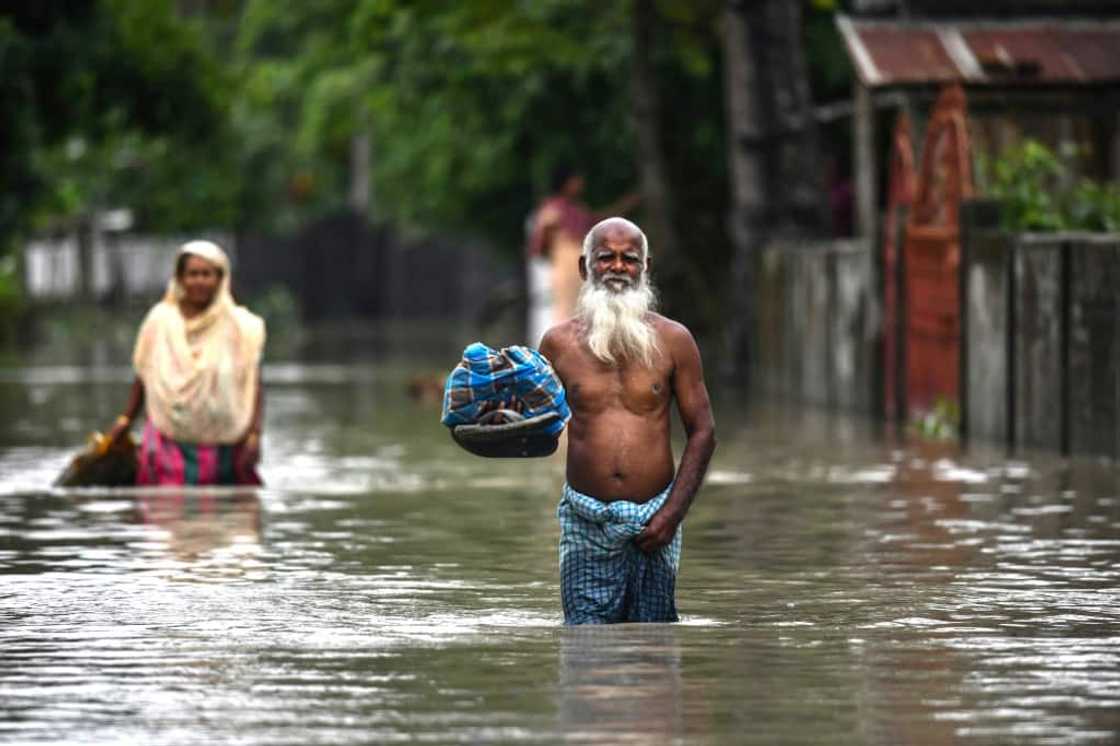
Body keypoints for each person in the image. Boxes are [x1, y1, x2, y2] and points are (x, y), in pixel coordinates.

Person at [538, 217, 716, 624]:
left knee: (653, 650)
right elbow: (536, 427)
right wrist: (495, 417)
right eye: (606, 258)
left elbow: (704, 433)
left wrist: (671, 515)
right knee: (584, 648)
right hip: (585, 520)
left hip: (656, 522)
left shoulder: (675, 341)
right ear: (585, 268)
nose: (618, 267)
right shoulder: (558, 344)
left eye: (629, 259)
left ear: (645, 267)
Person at [105, 240, 266, 485]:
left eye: (207, 274)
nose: (199, 281)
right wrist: (125, 421)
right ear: (180, 278)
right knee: (165, 511)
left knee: (228, 514)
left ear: (220, 279)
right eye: (192, 274)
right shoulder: (160, 321)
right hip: (166, 438)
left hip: (225, 443)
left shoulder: (241, 326)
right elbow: (144, 374)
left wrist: (255, 434)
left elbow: (253, 383)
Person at [527, 166, 640, 338]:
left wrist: (626, 204)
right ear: (565, 183)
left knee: (587, 312)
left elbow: (598, 221)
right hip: (565, 270)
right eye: (575, 180)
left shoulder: (576, 209)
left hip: (582, 267)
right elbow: (538, 247)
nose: (580, 184)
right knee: (567, 314)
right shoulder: (552, 210)